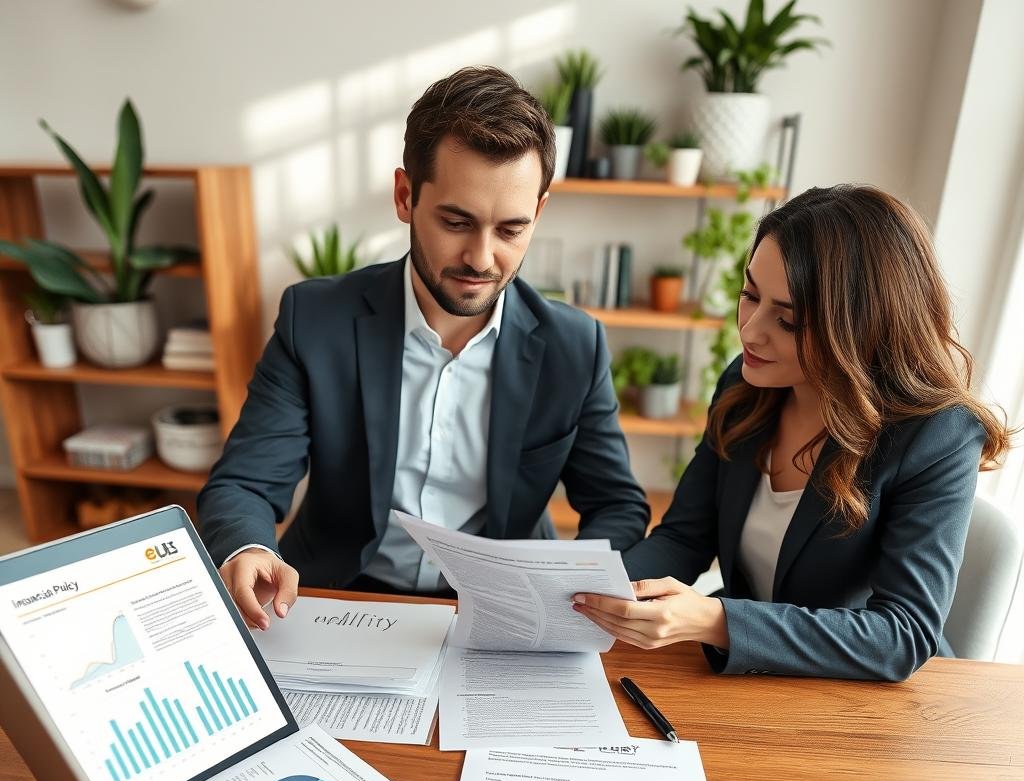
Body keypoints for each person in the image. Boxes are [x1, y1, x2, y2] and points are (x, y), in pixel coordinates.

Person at [198, 66, 649, 629]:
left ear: (539, 212)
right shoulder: (314, 320)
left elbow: (616, 504)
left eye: (511, 229)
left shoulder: (573, 345)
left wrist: (579, 590)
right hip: (342, 598)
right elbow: (247, 479)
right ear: (405, 196)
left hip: (502, 610)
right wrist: (247, 550)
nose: (482, 259)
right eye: (457, 221)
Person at [572, 184, 1011, 681]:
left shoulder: (937, 435)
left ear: (860, 328)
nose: (751, 330)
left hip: (866, 703)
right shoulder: (746, 384)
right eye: (749, 295)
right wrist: (592, 588)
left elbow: (901, 634)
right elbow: (684, 536)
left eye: (788, 319)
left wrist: (717, 621)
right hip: (751, 676)